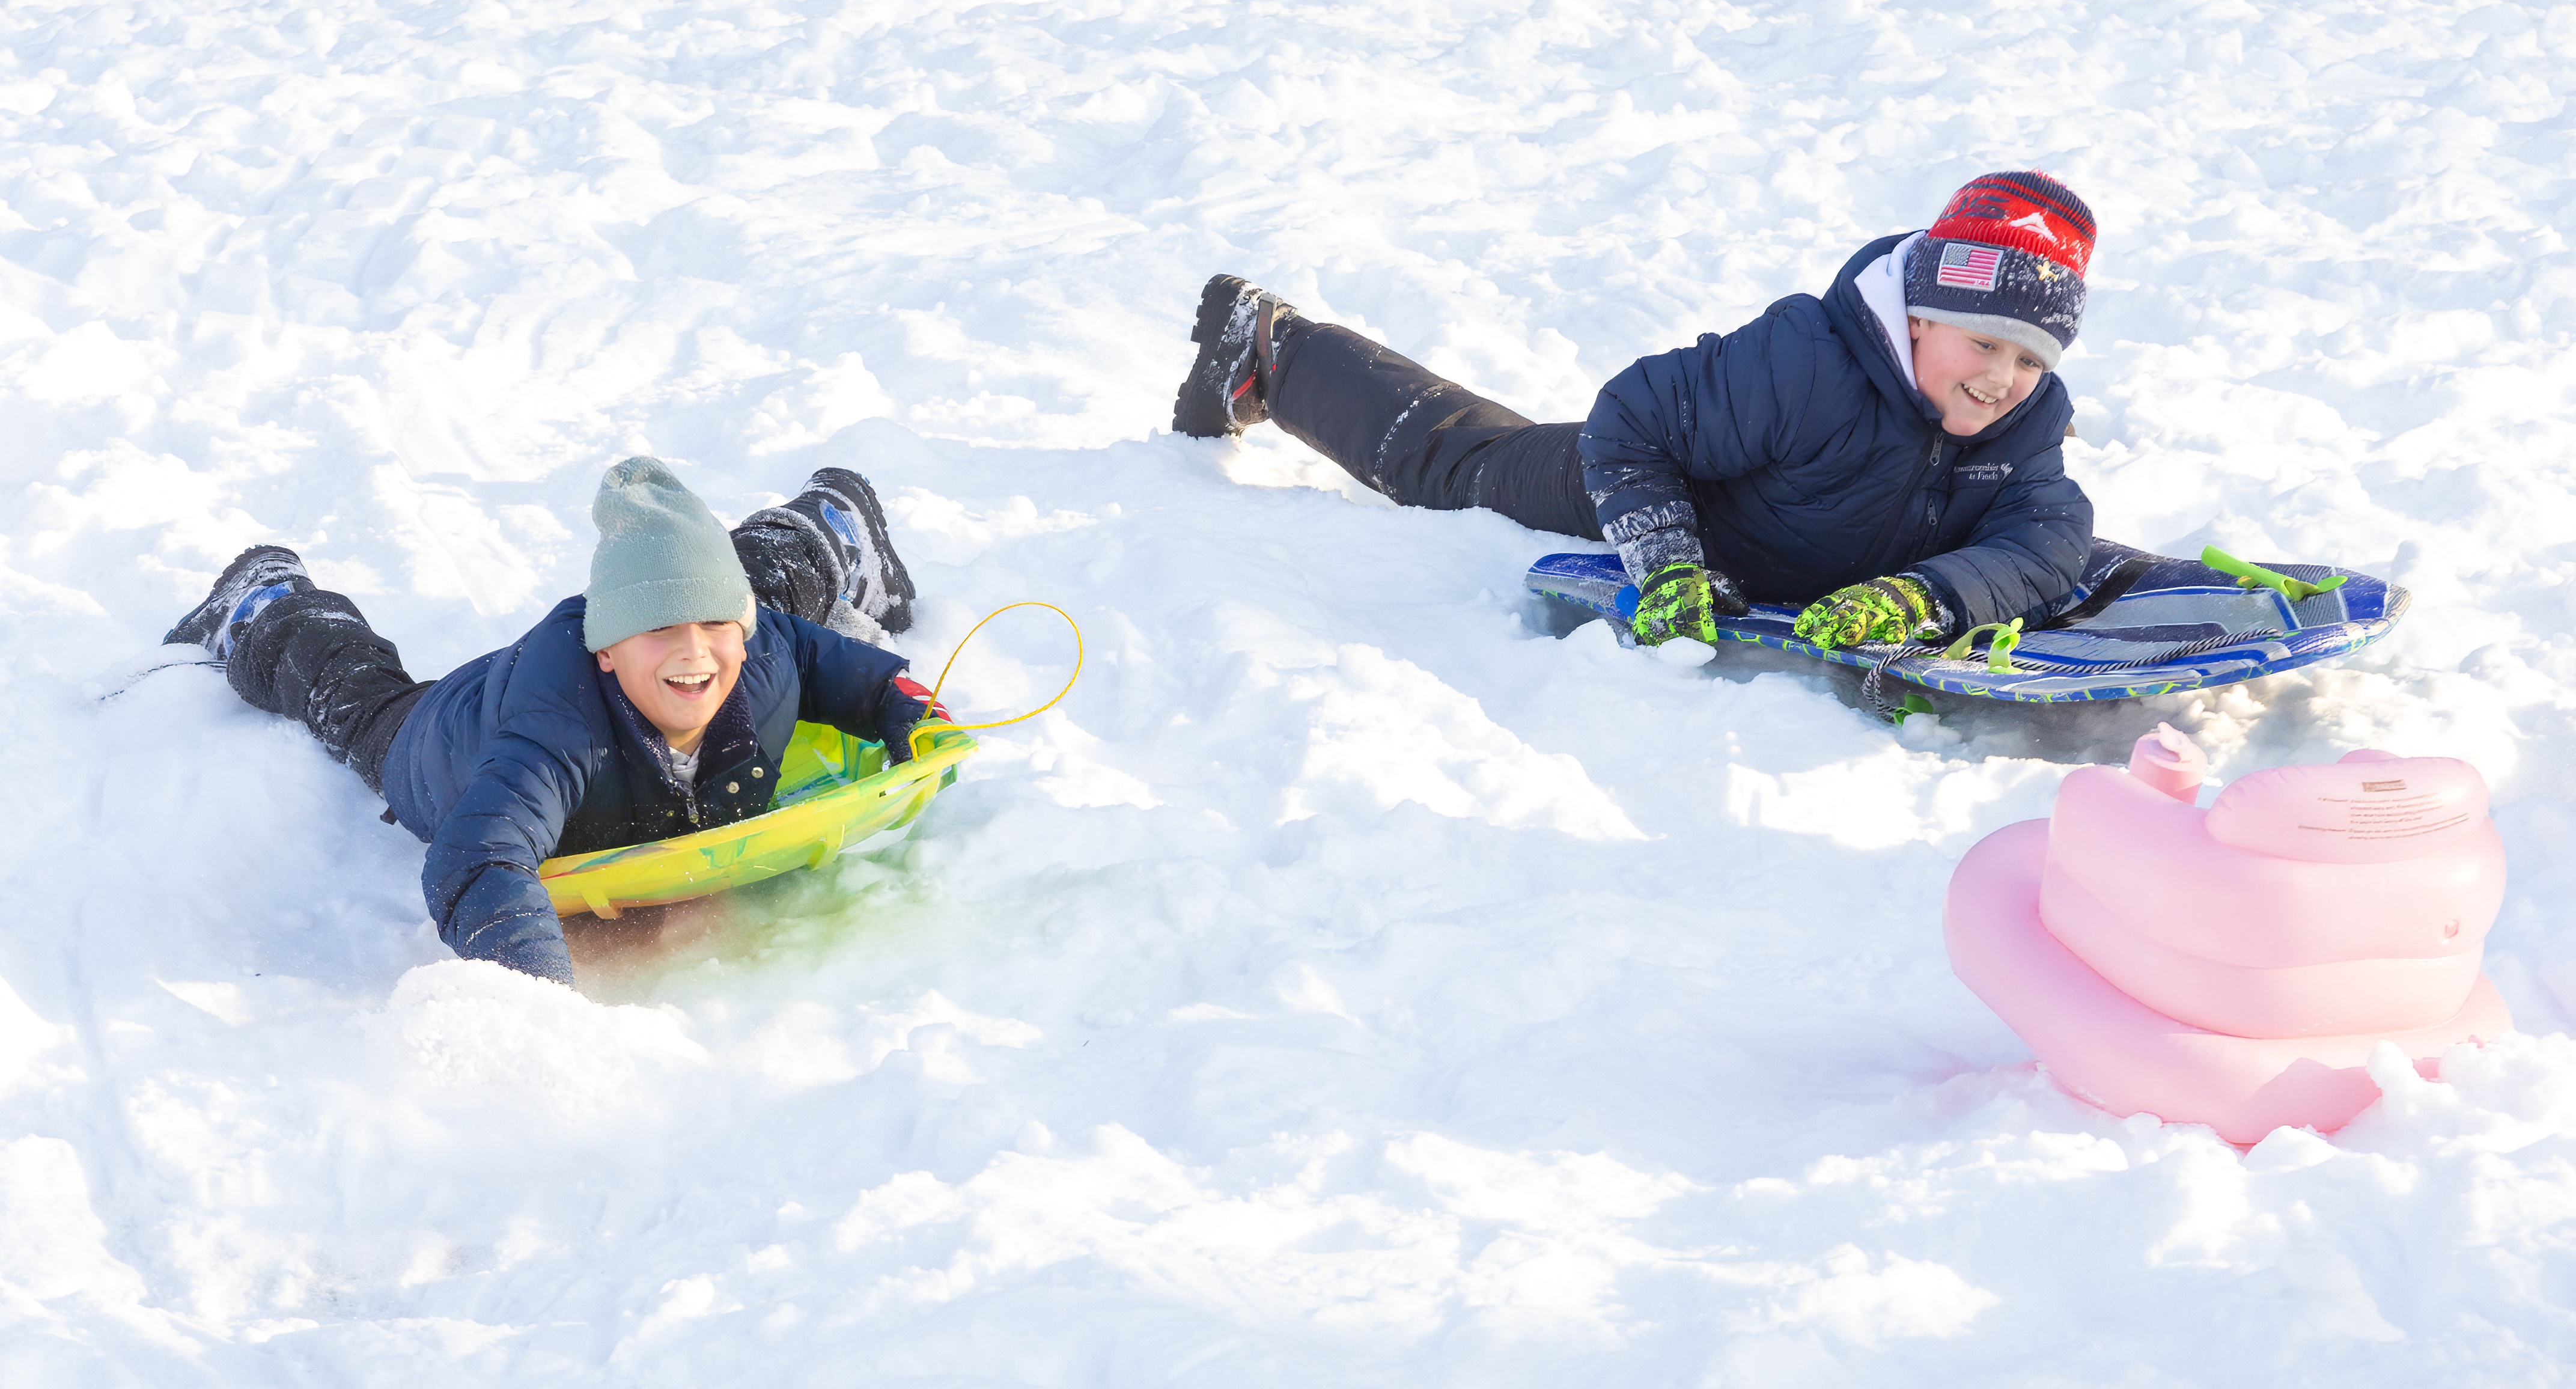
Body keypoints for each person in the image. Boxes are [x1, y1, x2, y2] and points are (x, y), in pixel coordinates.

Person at [1171, 169, 2096, 653]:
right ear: (1922, 315)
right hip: (1649, 482)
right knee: (1458, 466)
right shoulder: (1809, 360)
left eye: (2030, 358)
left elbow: (2050, 534)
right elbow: (1633, 420)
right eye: (1983, 343)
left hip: (1793, 545)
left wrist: (1926, 596)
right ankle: (1268, 352)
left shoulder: (2023, 422)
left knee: (1484, 444)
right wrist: (1664, 560)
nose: (2003, 379)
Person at [163, 460, 942, 986]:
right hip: (449, 729)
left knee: (763, 587)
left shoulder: (756, 649)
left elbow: (812, 654)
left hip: (679, 634)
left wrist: (901, 704)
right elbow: (480, 858)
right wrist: (539, 1008)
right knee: (358, 696)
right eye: (659, 629)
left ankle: (833, 522)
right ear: (606, 649)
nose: (694, 651)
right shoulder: (552, 740)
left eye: (716, 623)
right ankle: (267, 606)